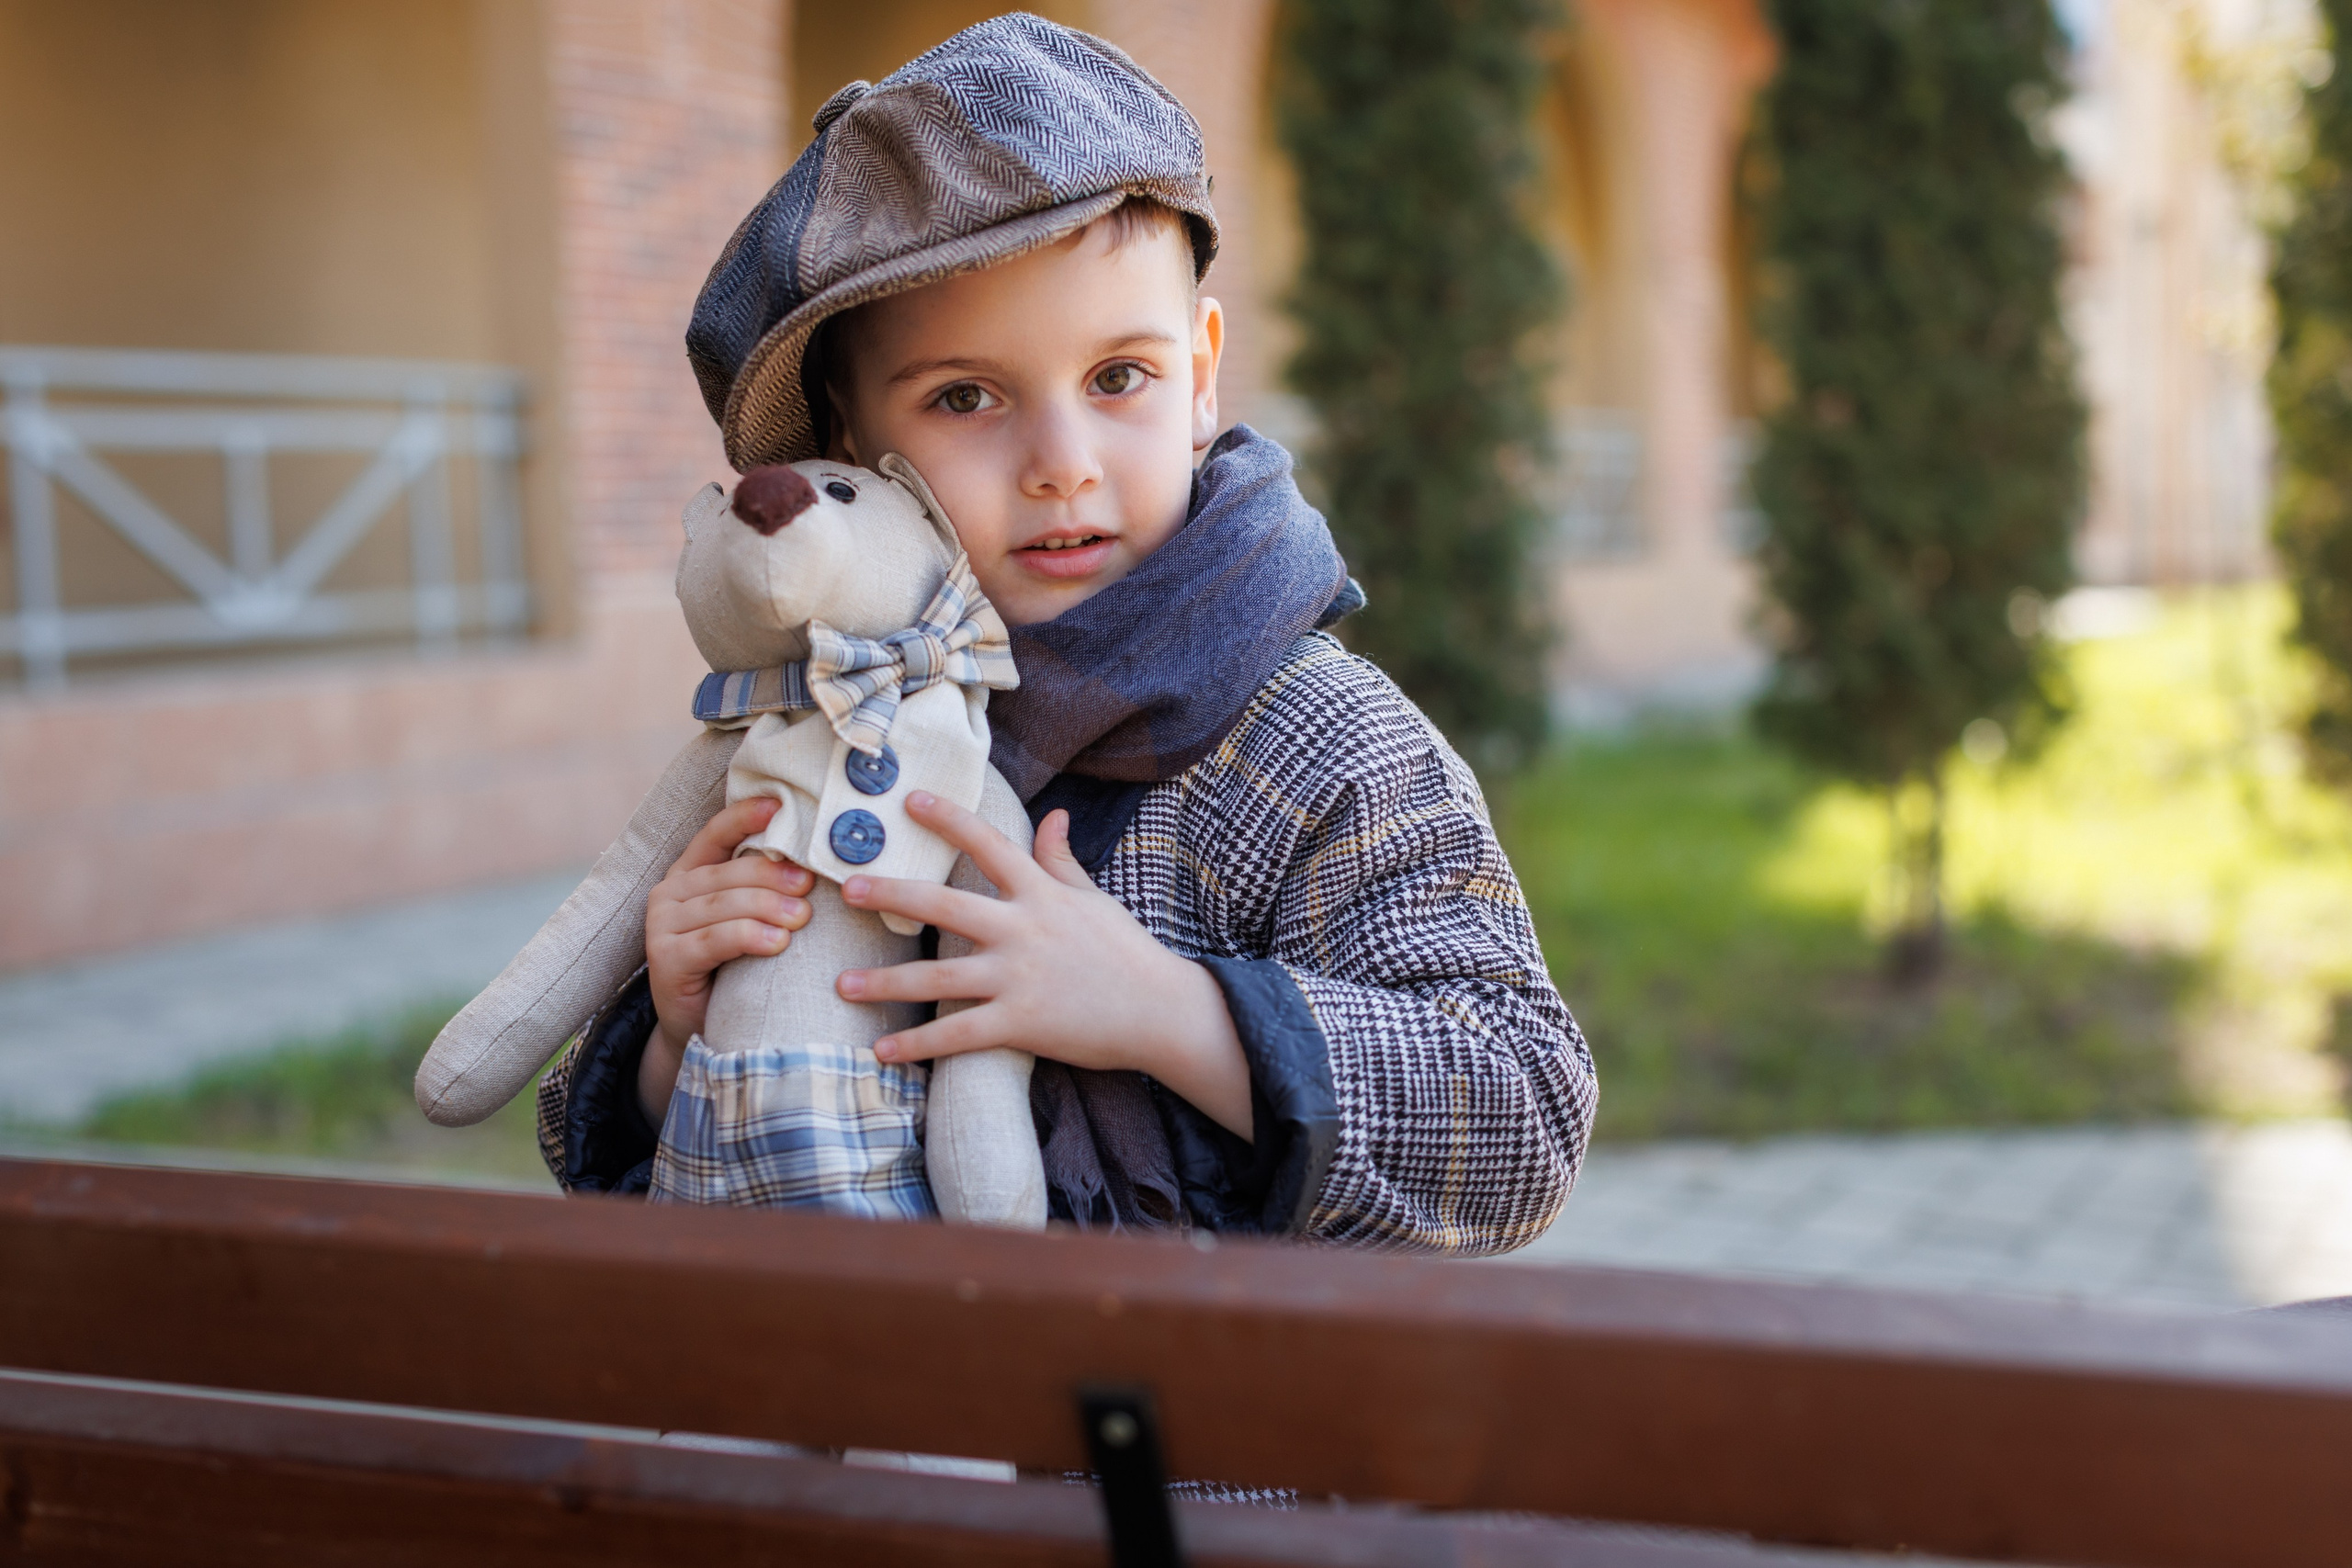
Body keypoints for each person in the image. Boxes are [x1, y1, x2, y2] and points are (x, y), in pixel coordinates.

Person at [537, 12, 1594, 1252]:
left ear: (1201, 376)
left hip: (1199, 1437)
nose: (1061, 466)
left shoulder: (1318, 740)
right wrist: (682, 1034)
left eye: (1118, 379)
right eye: (966, 397)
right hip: (878, 1425)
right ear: (845, 446)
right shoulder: (823, 732)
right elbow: (655, 1176)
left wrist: (1169, 1012)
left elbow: (1525, 1110)